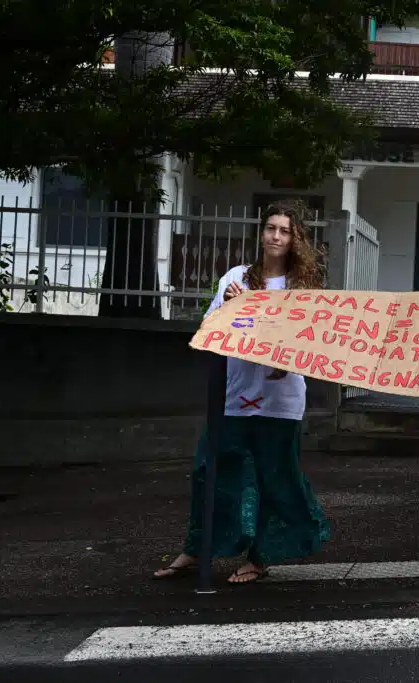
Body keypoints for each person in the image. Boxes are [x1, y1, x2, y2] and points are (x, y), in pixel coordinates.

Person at [154, 200, 331, 585]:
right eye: (271, 228)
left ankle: (259, 558)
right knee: (209, 470)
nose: (276, 236)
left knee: (273, 477)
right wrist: (232, 307)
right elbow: (210, 331)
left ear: (295, 238)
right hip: (234, 394)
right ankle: (195, 547)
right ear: (261, 233)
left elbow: (307, 340)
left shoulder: (301, 289)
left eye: (285, 230)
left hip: (280, 400)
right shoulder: (235, 278)